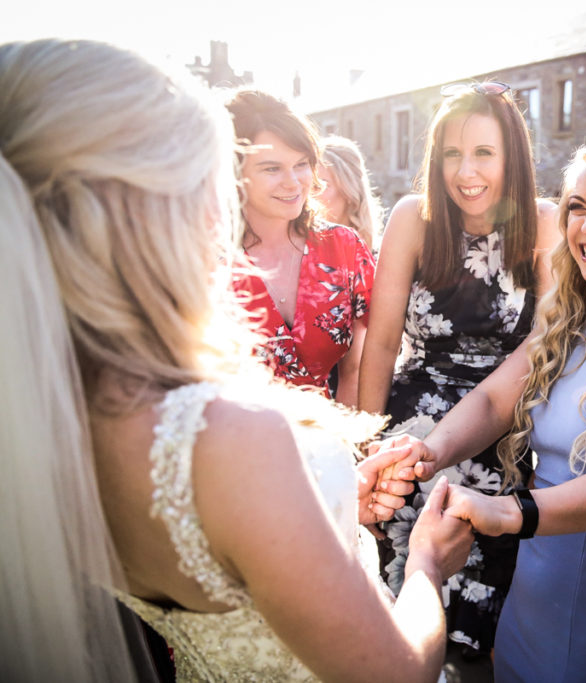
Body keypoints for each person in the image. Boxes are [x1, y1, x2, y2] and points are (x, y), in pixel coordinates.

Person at [0, 38, 472, 682]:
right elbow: (398, 674)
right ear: (146, 206)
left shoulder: (38, 414)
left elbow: (224, 546)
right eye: (211, 183)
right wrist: (425, 564)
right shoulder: (233, 441)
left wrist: (330, 502)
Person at [375, 141, 586, 682]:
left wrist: (511, 512)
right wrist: (430, 450)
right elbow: (493, 400)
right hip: (529, 617)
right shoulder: (566, 318)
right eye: (576, 206)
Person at [358, 80, 560, 658]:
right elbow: (381, 344)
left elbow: (544, 348)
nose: (465, 171)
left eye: (483, 153)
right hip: (408, 439)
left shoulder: (545, 224)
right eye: (451, 153)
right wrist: (367, 449)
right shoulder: (412, 219)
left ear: (512, 157)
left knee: (477, 636)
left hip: (499, 439)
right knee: (392, 616)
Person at [228, 90, 374, 405]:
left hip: (333, 437)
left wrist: (347, 445)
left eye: (302, 164)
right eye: (271, 168)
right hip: (235, 442)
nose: (293, 182)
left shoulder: (342, 247)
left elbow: (359, 368)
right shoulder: (206, 261)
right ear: (234, 174)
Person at [318, 135, 384, 252]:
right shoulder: (295, 252)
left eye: (320, 186)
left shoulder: (380, 260)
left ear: (348, 191)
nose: (308, 196)